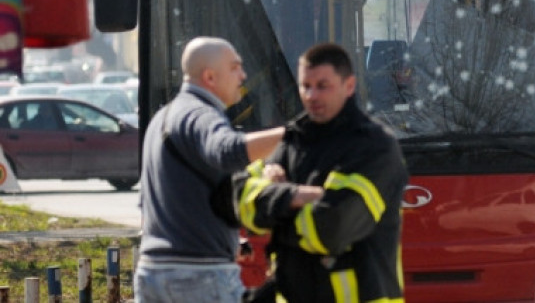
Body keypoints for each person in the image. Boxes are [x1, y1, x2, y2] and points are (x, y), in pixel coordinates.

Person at [134, 37, 321, 303]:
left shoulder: (162, 119)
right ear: (209, 77)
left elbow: (161, 202)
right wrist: (294, 134)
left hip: (153, 273)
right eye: (235, 68)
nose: (243, 76)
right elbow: (228, 151)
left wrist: (229, 243)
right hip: (198, 276)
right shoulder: (200, 115)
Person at [238, 42, 409, 303]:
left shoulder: (375, 147)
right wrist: (296, 197)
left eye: (323, 86)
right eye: (305, 86)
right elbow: (235, 195)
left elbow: (331, 229)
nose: (312, 96)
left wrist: (273, 207)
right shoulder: (293, 141)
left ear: (349, 86)